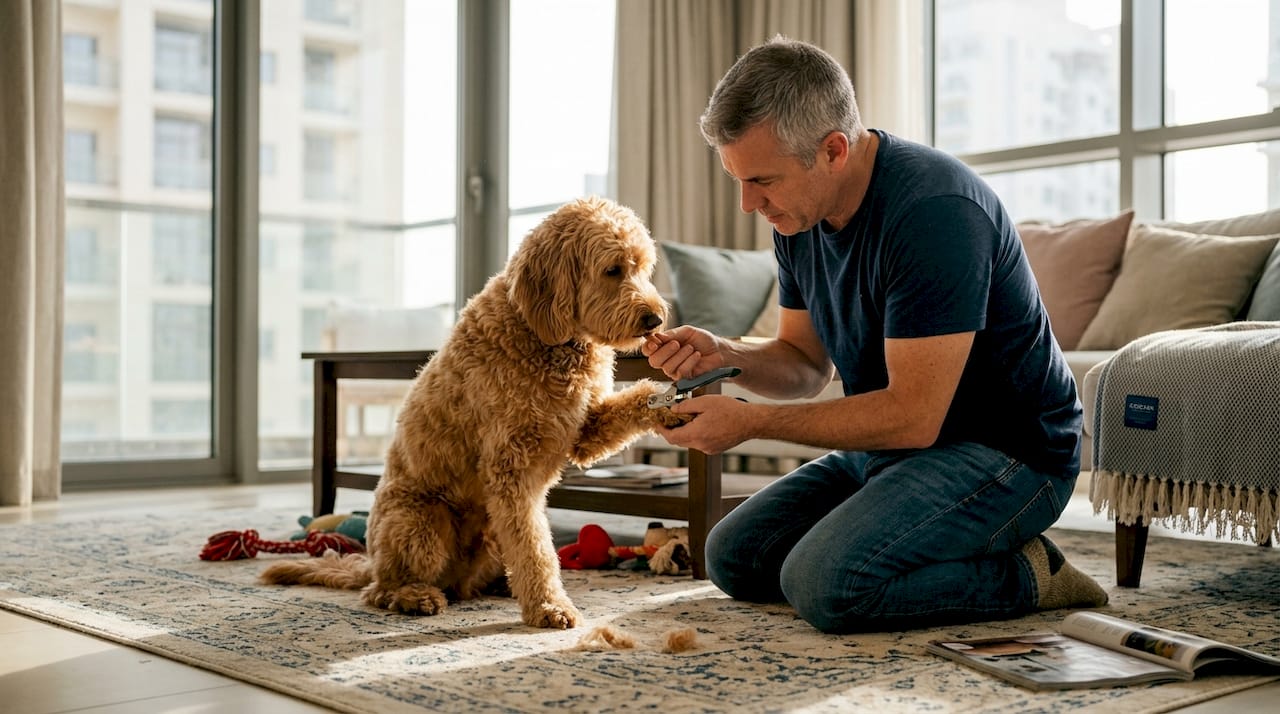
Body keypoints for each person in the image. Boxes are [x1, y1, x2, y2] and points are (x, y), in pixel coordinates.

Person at [642, 37, 1108, 633]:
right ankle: (927, 543)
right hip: (894, 450)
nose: (747, 204)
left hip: (1010, 455)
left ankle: (1029, 573)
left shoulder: (934, 211)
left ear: (833, 150)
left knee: (825, 586)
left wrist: (751, 422)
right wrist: (727, 354)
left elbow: (914, 416)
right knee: (732, 557)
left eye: (762, 180)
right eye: (738, 179)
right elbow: (805, 365)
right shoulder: (798, 218)